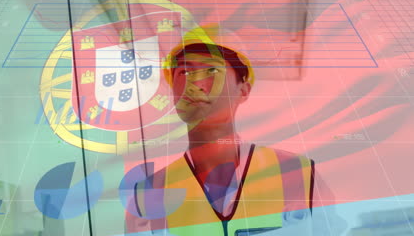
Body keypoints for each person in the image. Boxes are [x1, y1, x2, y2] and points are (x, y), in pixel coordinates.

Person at [124, 24, 345, 236]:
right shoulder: (148, 195)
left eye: (212, 70)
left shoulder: (299, 174)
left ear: (243, 90)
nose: (196, 84)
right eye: (184, 72)